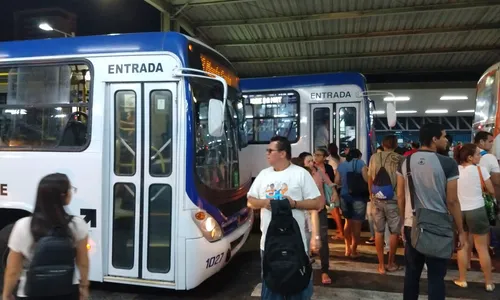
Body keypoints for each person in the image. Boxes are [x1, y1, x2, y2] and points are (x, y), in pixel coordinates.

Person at [247, 136, 322, 300]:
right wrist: (265, 202)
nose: (266, 154)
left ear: (282, 153)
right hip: (268, 244)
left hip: (296, 243)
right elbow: (251, 201)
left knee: (297, 287)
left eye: (270, 151)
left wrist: (294, 204)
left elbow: (317, 203)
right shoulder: (263, 175)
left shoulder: (300, 174)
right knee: (271, 287)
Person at [397, 123, 465, 300]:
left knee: (411, 274)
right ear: (434, 140)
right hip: (438, 227)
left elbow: (400, 197)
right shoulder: (448, 163)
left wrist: (402, 224)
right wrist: (460, 230)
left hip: (412, 225)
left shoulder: (405, 161)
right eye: (443, 137)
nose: (446, 140)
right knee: (436, 278)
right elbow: (452, 201)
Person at [2, 173, 90, 300]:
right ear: (64, 196)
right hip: (67, 289)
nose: (72, 192)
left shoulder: (23, 226)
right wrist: (84, 286)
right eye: (71, 189)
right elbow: (83, 262)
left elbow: (13, 269)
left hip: (31, 292)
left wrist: (6, 294)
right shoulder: (77, 225)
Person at [453, 143, 495, 292]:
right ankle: (489, 282)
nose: (480, 156)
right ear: (470, 157)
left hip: (459, 212)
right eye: (478, 154)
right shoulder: (480, 170)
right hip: (477, 210)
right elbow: (491, 190)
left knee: (463, 246)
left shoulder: (455, 170)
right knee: (482, 248)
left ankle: (463, 279)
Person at [368, 135, 403, 274]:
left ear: (382, 144)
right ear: (395, 144)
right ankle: (391, 263)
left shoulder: (374, 158)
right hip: (393, 199)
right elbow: (402, 183)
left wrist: (371, 195)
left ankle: (381, 265)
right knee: (394, 232)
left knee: (378, 231)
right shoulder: (401, 159)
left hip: (377, 198)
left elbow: (370, 178)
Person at [336, 148, 368, 258]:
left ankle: (347, 248)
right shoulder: (361, 163)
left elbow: (337, 181)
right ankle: (354, 250)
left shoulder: (341, 165)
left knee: (347, 222)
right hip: (358, 196)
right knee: (357, 225)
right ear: (358, 156)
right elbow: (366, 179)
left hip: (344, 196)